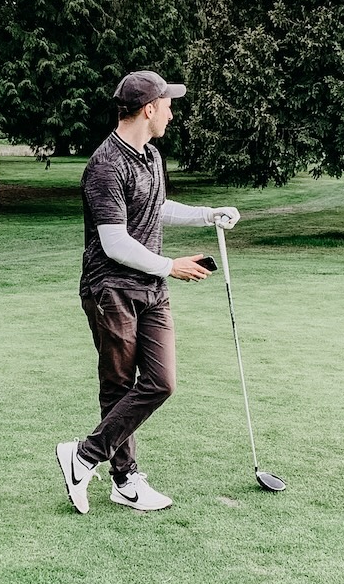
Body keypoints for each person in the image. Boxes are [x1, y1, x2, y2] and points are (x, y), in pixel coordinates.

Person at [56, 71, 239, 513]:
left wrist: (207, 214)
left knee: (161, 382)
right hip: (110, 290)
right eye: (168, 106)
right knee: (118, 385)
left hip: (151, 289)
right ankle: (124, 480)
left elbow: (156, 208)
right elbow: (113, 242)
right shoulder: (105, 165)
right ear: (149, 109)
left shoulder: (151, 156)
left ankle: (83, 455)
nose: (172, 115)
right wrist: (170, 266)